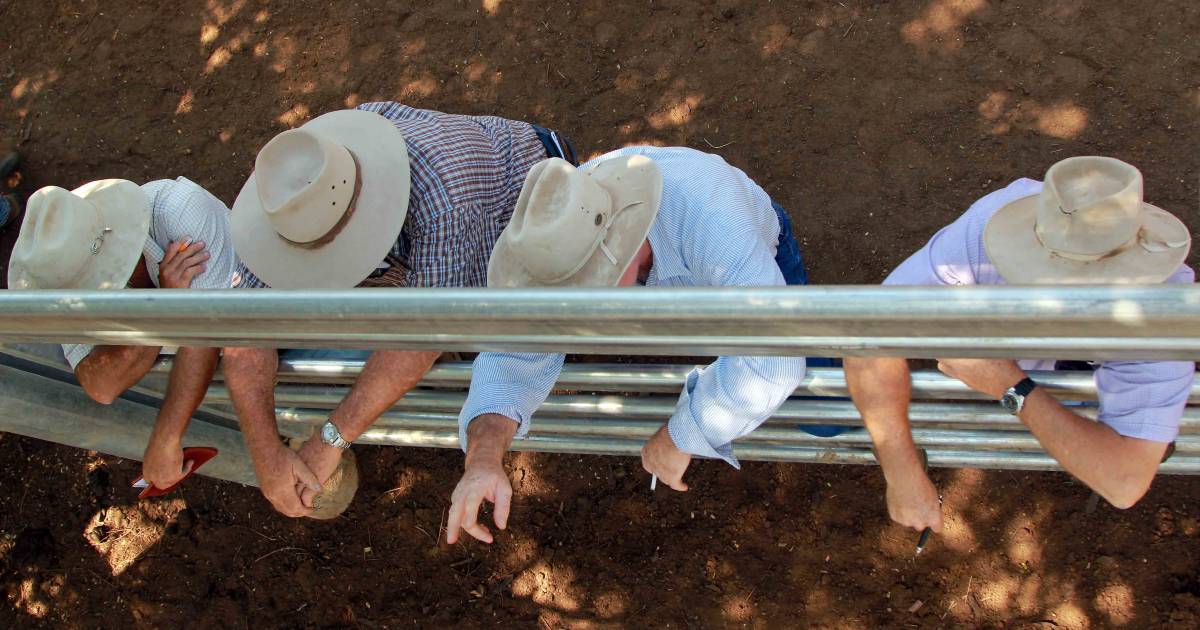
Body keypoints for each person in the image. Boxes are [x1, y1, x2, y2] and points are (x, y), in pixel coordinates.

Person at [221, 102, 578, 518]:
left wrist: (330, 441)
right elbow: (243, 332)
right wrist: (264, 452)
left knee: (487, 323)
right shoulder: (286, 195)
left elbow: (422, 337)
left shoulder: (445, 197)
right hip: (430, 234)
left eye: (335, 250)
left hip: (531, 197)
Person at [447, 146, 816, 545]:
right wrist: (482, 459)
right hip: (680, 282)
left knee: (819, 409)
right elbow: (511, 354)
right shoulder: (562, 231)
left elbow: (775, 361)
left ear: (622, 242)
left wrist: (681, 437)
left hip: (751, 256)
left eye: (587, 290)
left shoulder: (712, 219)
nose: (577, 314)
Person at [844, 156, 1194, 534]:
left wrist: (1010, 385)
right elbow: (869, 332)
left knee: (1127, 448)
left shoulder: (1165, 308)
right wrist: (902, 475)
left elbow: (1124, 483)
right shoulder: (992, 226)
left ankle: (1129, 432)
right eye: (1047, 271)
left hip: (1055, 386)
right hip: (1049, 378)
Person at [7, 176, 240, 490]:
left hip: (262, 329)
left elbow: (207, 339)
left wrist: (165, 437)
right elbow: (101, 384)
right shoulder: (62, 272)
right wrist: (166, 307)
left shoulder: (180, 209)